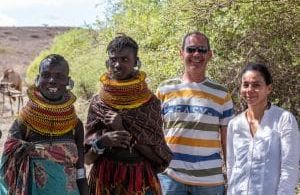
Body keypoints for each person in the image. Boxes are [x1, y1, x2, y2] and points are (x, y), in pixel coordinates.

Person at [84, 34, 172, 195]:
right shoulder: (99, 102)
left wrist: (124, 129)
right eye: (113, 59)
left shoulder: (149, 102)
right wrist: (102, 142)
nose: (117, 64)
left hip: (140, 179)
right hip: (104, 178)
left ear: (136, 62)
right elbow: (87, 159)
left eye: (124, 59)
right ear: (107, 62)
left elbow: (158, 158)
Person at [156, 31, 234, 195]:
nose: (196, 54)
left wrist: (232, 176)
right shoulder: (165, 89)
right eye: (191, 49)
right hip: (170, 178)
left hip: (210, 181)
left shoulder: (222, 94)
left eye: (202, 50)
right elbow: (154, 134)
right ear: (181, 53)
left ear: (210, 55)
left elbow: (227, 141)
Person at [0, 54, 88, 195]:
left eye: (59, 76)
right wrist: (23, 150)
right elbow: (6, 165)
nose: (52, 80)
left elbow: (80, 171)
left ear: (68, 81)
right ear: (37, 79)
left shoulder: (75, 124)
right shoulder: (24, 121)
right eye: (46, 75)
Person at [226, 62, 300, 195]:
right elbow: (232, 166)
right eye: (245, 85)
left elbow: (290, 168)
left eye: (256, 85)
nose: (249, 90)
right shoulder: (234, 124)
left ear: (269, 88)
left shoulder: (283, 119)